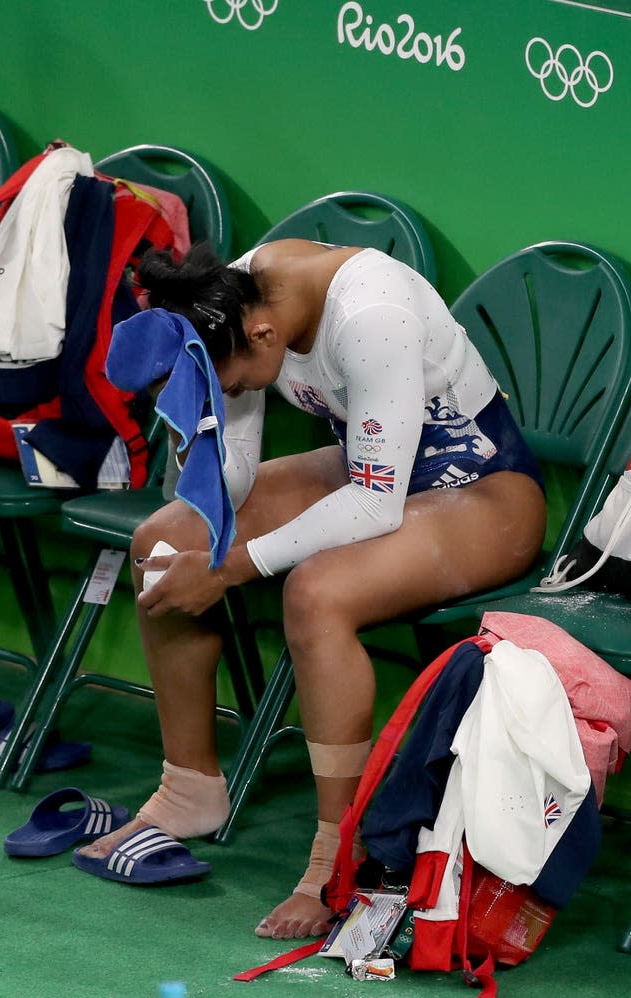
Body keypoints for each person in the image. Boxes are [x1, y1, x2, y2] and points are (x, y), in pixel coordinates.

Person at [77, 238, 547, 940]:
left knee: (315, 591)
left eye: (234, 382)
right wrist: (203, 485)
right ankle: (189, 789)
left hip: (481, 490)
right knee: (165, 543)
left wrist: (234, 565)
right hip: (370, 467)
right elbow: (234, 471)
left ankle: (336, 854)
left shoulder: (372, 313)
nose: (235, 392)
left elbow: (375, 507)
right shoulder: (232, 298)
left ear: (264, 334)